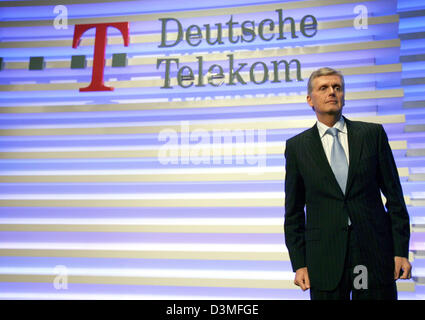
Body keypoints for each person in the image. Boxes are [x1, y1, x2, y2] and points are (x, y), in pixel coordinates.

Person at [284, 67, 411, 300]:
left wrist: (400, 251)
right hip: (325, 258)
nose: (332, 92)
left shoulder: (372, 135)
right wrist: (299, 263)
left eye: (337, 87)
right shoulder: (297, 147)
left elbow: (395, 198)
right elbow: (293, 213)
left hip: (373, 253)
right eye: (324, 88)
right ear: (310, 100)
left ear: (344, 96)